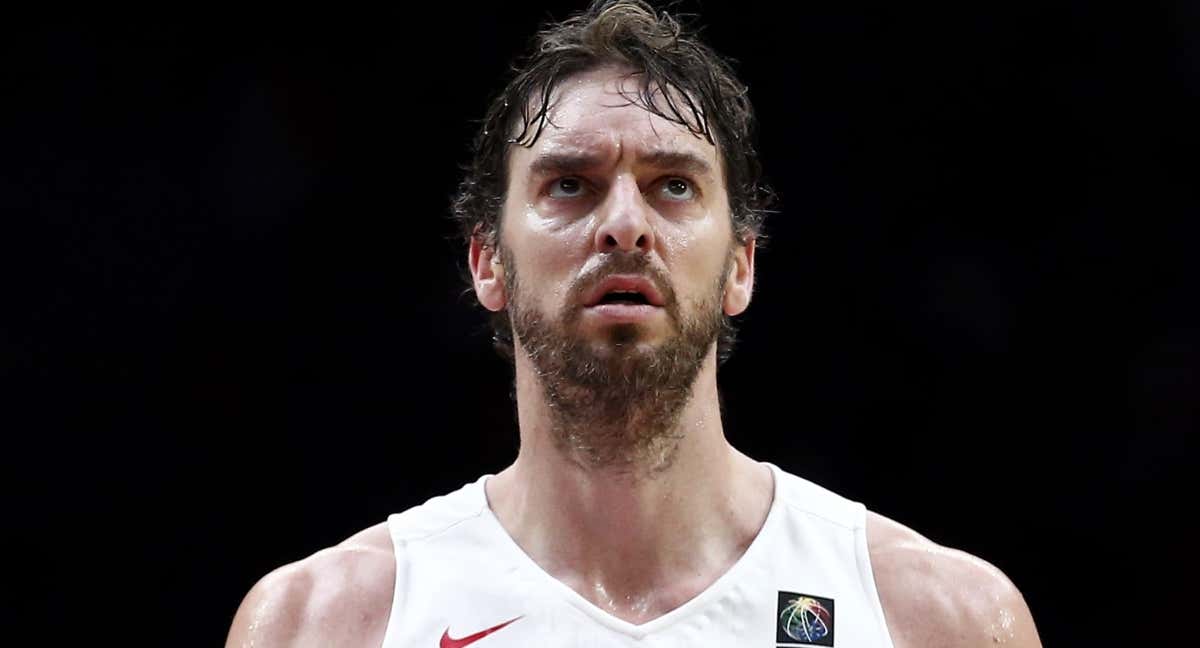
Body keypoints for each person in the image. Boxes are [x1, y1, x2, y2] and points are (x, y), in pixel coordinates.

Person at [225, 1, 1042, 646]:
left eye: (674, 185)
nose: (624, 225)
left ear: (741, 266)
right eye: (570, 185)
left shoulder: (939, 623)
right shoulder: (325, 627)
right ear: (487, 262)